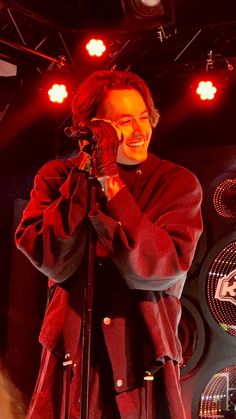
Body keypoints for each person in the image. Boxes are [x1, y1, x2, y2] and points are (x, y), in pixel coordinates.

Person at [15, 69, 203, 419]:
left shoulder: (176, 183)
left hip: (140, 360)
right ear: (91, 126)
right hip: (74, 355)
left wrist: (110, 184)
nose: (138, 131)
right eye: (124, 121)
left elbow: (158, 267)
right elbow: (51, 256)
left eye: (144, 118)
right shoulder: (56, 178)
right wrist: (86, 172)